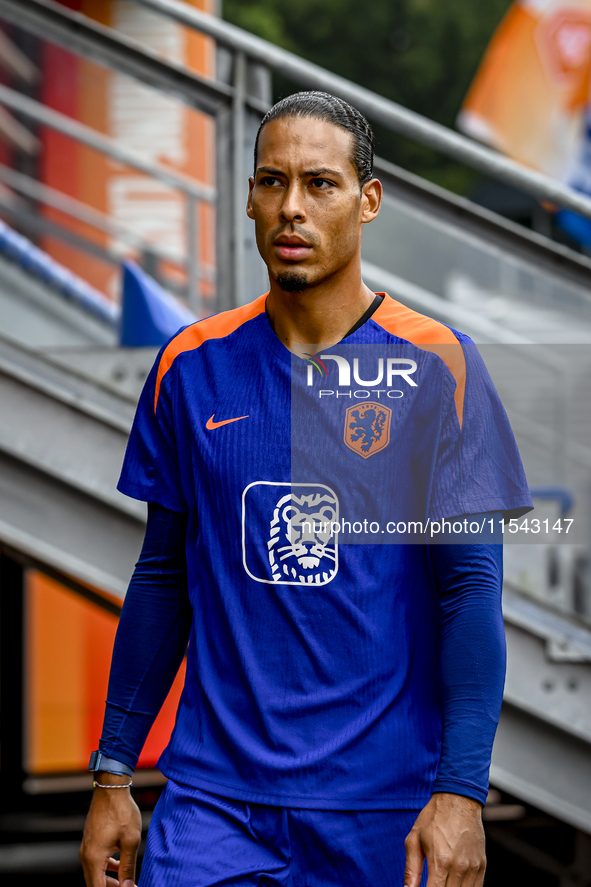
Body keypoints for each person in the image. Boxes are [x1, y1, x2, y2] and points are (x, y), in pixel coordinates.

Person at [80, 91, 532, 887]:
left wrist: (460, 793)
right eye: (271, 181)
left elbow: (468, 590)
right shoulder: (190, 365)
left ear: (367, 201)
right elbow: (162, 575)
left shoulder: (439, 367)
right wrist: (114, 773)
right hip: (212, 808)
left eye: (319, 183)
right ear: (249, 197)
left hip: (383, 812)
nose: (292, 207)